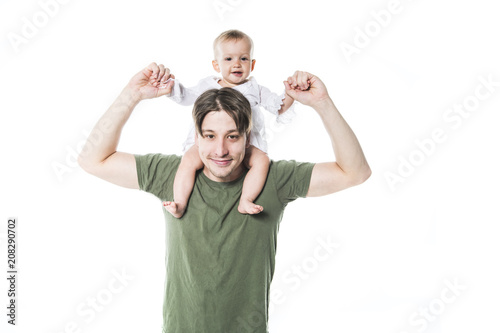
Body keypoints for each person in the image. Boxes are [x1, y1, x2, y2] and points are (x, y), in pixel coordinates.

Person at [78, 62, 371, 333]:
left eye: (232, 136)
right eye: (209, 136)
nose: (220, 151)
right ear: (196, 136)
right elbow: (93, 160)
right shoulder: (173, 174)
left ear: (248, 135)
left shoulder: (274, 179)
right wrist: (131, 95)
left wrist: (322, 103)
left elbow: (354, 173)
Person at [163, 29, 297, 218]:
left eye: (243, 59)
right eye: (228, 59)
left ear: (252, 64)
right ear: (216, 64)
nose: (237, 64)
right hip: (209, 141)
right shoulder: (207, 85)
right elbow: (185, 97)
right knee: (188, 160)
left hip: (244, 142)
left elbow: (278, 106)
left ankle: (246, 199)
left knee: (261, 160)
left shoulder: (255, 89)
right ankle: (180, 203)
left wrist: (290, 93)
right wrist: (170, 87)